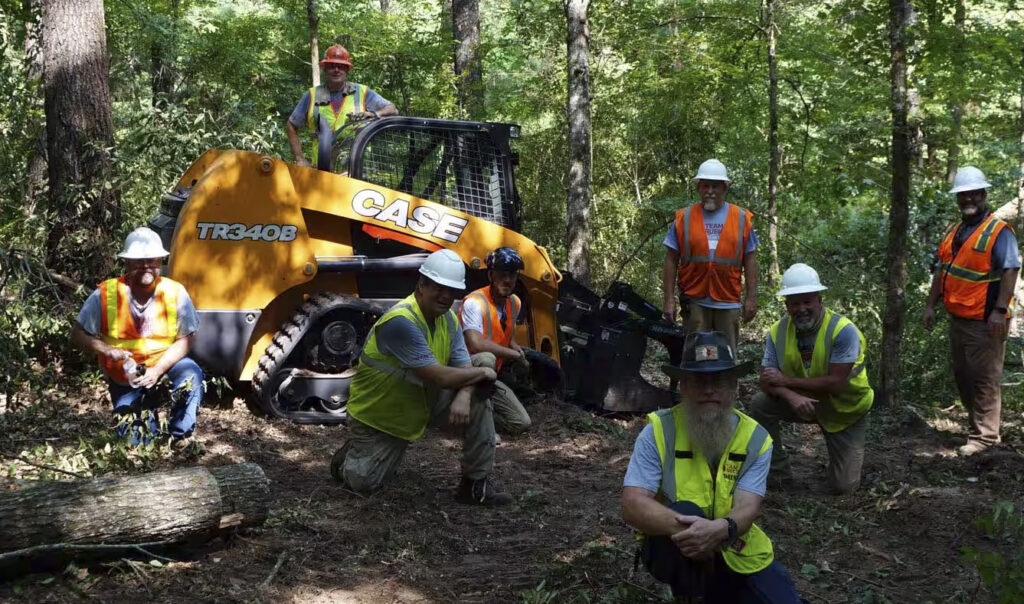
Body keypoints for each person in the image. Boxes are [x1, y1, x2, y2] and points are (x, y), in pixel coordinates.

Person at [622, 331, 801, 603]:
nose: (709, 390)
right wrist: (695, 532)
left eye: (719, 381)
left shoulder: (756, 439)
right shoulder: (658, 430)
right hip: (678, 547)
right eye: (698, 381)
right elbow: (633, 504)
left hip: (735, 545)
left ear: (734, 387)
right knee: (683, 512)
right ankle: (690, 595)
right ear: (682, 387)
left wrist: (719, 530)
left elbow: (748, 506)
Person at [331, 249, 512, 505]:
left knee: (479, 396)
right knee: (363, 482)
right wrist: (483, 372)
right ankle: (348, 457)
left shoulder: (448, 318)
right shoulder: (401, 322)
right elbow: (438, 376)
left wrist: (464, 395)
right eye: (438, 287)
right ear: (421, 286)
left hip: (420, 402)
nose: (446, 296)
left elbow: (461, 367)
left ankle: (475, 485)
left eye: (451, 290)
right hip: (381, 416)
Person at [71, 227, 203, 448]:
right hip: (125, 373)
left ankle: (181, 435)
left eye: (152, 260)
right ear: (126, 264)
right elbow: (77, 335)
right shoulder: (105, 295)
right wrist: (106, 350)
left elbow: (187, 338)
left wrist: (158, 370)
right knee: (138, 443)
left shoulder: (175, 293)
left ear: (161, 261)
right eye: (138, 261)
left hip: (164, 362)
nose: (146, 266)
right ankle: (146, 426)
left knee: (191, 375)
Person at [749, 264, 873, 495]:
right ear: (786, 305)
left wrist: (785, 381)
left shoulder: (843, 331)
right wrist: (791, 396)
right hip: (803, 402)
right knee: (760, 404)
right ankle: (779, 475)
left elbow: (835, 383)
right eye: (795, 303)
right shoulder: (777, 332)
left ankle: (840, 466)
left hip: (845, 409)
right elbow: (766, 380)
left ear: (819, 300)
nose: (801, 309)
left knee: (843, 488)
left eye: (807, 301)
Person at [924, 166, 1020, 456]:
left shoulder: (999, 231)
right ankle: (976, 430)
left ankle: (986, 438)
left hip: (985, 321)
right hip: (959, 318)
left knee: (985, 379)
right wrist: (931, 305)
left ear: (984, 194)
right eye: (963, 195)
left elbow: (1011, 269)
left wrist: (999, 310)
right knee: (963, 375)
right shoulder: (953, 231)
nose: (969, 199)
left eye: (974, 193)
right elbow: (942, 271)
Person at [662, 158, 758, 352]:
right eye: (706, 186)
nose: (710, 191)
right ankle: (694, 384)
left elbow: (750, 259)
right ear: (699, 188)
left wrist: (751, 298)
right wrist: (669, 299)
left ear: (724, 188)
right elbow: (671, 259)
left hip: (728, 300)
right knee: (695, 357)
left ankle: (726, 385)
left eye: (715, 186)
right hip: (695, 301)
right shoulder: (684, 218)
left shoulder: (741, 218)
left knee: (726, 355)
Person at [286, 44, 398, 170]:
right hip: (321, 170)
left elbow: (392, 109)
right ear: (325, 69)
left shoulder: (362, 92)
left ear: (347, 70)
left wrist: (373, 114)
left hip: (355, 170)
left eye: (341, 66)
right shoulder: (312, 95)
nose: (336, 70)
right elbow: (291, 125)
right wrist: (300, 159)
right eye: (331, 66)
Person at [460, 247, 532, 435]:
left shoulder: (514, 302)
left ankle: (475, 418)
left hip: (491, 376)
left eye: (513, 275)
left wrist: (519, 352)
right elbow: (475, 344)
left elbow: (509, 338)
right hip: (464, 373)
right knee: (486, 358)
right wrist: (513, 355)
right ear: (491, 275)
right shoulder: (475, 302)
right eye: (502, 274)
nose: (508, 280)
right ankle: (482, 429)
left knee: (521, 423)